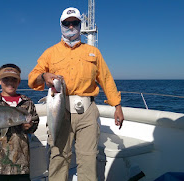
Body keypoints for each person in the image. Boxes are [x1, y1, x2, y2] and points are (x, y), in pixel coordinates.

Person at [28, 7, 124, 181]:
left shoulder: (94, 53)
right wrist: (44, 76)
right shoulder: (50, 53)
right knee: (58, 157)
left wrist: (117, 105)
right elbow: (32, 78)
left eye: (75, 23)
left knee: (88, 159)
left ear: (80, 25)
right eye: (67, 23)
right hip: (59, 111)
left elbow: (106, 79)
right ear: (61, 25)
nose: (71, 26)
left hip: (87, 112)